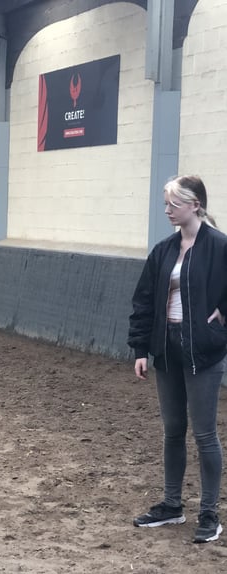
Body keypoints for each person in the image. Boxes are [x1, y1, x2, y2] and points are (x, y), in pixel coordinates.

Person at [128, 174, 227, 544]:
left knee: (204, 434)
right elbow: (143, 301)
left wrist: (221, 315)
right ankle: (172, 505)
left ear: (195, 205)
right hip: (167, 350)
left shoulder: (219, 246)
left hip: (203, 352)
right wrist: (141, 348)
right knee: (172, 431)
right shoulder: (164, 250)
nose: (168, 210)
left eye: (174, 204)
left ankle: (209, 513)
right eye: (166, 204)